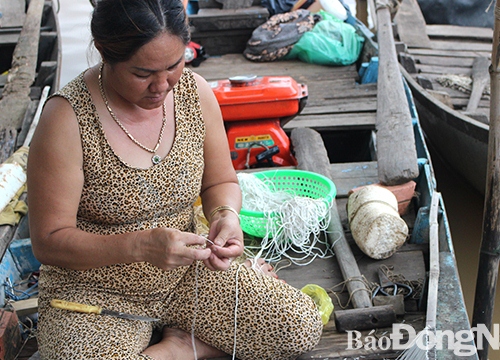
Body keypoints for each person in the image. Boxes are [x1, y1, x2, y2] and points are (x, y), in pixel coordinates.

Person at [27, 0, 323, 359]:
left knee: (298, 326)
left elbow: (220, 183)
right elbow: (49, 241)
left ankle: (183, 344)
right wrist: (140, 246)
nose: (162, 85)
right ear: (104, 52)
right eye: (142, 74)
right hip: (93, 289)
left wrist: (225, 216)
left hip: (187, 272)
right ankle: (182, 346)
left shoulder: (194, 93)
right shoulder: (66, 117)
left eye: (174, 65)